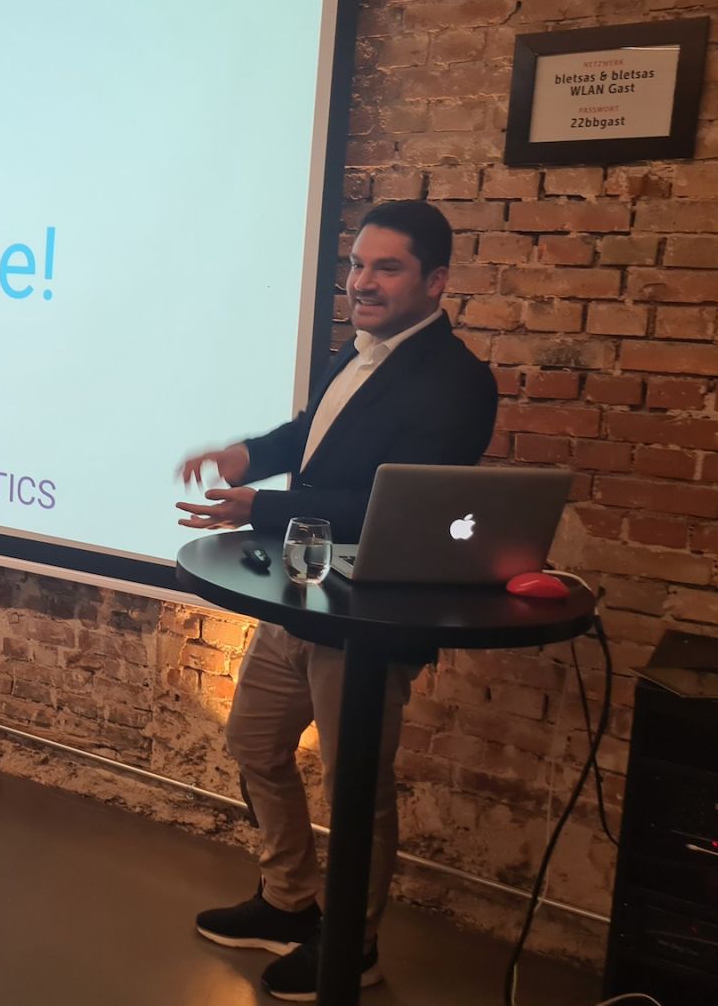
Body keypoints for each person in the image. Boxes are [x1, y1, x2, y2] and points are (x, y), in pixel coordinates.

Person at [174, 199, 497, 1001]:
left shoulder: (458, 383)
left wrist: (261, 508)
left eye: (387, 267)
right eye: (357, 265)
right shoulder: (350, 351)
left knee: (357, 789)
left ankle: (353, 945)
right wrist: (244, 456)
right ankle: (289, 901)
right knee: (254, 742)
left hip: (373, 615)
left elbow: (392, 505)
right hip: (303, 592)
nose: (362, 282)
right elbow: (310, 436)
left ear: (436, 281)